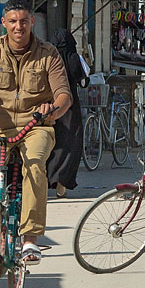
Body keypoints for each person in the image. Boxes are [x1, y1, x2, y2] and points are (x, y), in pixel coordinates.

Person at [0, 0, 73, 276]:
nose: (18, 26)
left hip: (36, 126)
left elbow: (64, 95)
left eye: (23, 21)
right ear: (4, 24)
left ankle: (31, 239)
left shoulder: (48, 53)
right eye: (13, 21)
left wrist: (53, 110)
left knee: (34, 166)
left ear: (32, 22)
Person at [45, 28, 87, 198]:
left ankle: (46, 180)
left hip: (49, 106)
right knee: (69, 145)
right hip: (70, 107)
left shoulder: (48, 58)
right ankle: (61, 184)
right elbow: (83, 79)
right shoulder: (74, 59)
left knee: (49, 143)